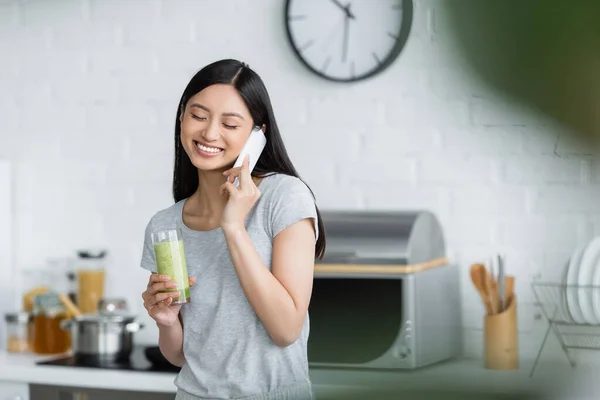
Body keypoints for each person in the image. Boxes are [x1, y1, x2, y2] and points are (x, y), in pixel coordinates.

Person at [139, 59, 326, 400]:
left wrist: (233, 227)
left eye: (230, 123)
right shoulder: (165, 225)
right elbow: (181, 356)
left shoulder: (284, 198)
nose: (209, 133)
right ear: (181, 116)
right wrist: (167, 321)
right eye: (198, 116)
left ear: (257, 135)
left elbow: (286, 330)